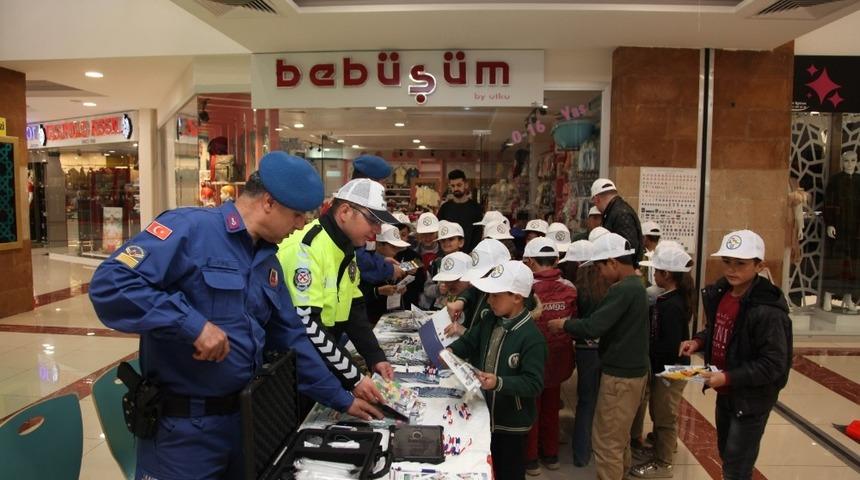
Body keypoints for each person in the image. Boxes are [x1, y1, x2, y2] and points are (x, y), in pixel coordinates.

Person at [88, 152, 382, 480]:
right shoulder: (190, 229)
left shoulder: (268, 260)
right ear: (269, 202)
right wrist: (191, 324)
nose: (301, 224)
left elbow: (293, 337)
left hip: (245, 421)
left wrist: (342, 397)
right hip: (184, 431)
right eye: (297, 215)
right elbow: (110, 284)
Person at [679, 230, 792, 480]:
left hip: (750, 399)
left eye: (740, 263)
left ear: (759, 265)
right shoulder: (722, 294)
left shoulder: (767, 310)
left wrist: (728, 377)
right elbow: (719, 329)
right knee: (727, 454)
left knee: (737, 466)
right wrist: (698, 341)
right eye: (727, 262)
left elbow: (773, 364)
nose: (732, 270)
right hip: (727, 392)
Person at [278, 178, 396, 403]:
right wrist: (355, 378)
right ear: (344, 212)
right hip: (298, 367)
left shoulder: (345, 248)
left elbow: (354, 308)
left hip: (323, 358)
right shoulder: (306, 248)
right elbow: (309, 327)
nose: (377, 230)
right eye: (372, 220)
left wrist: (374, 356)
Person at [548, 233, 649, 480]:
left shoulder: (622, 290)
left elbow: (593, 326)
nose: (600, 273)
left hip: (620, 376)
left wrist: (563, 324)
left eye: (601, 266)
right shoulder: (637, 285)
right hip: (634, 371)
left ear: (613, 262)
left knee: (607, 443)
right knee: (620, 437)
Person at [447, 260, 548, 480]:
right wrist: (449, 351)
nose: (489, 301)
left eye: (495, 295)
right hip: (485, 413)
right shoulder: (491, 319)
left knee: (509, 470)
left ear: (517, 297)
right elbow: (469, 341)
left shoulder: (531, 338)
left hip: (511, 422)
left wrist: (499, 382)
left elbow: (534, 383)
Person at [629, 245, 695, 478]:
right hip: (670, 368)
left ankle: (663, 462)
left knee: (664, 415)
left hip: (671, 370)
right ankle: (664, 446)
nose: (653, 275)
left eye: (656, 271)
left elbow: (668, 346)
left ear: (666, 275)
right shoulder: (670, 298)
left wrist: (656, 369)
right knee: (662, 413)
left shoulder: (671, 306)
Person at [521, 238, 577, 476]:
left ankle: (531, 460)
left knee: (530, 408)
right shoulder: (570, 287)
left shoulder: (525, 287)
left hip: (530, 359)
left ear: (530, 261)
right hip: (559, 358)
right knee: (552, 407)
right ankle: (551, 455)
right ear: (556, 260)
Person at [558, 239, 610, 467]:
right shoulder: (609, 286)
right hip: (607, 349)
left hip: (584, 349)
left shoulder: (575, 288)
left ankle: (581, 455)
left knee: (585, 402)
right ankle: (602, 450)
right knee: (605, 403)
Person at [359, 224, 412, 324]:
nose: (396, 251)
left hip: (391, 317)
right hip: (369, 320)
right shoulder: (366, 263)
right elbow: (356, 295)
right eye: (393, 247)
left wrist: (400, 289)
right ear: (379, 244)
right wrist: (377, 291)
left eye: (398, 247)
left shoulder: (392, 262)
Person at [590, 178, 644, 266]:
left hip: (623, 271)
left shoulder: (620, 214)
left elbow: (628, 248)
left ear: (597, 199)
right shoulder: (616, 211)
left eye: (594, 203)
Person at [438, 169, 485, 252]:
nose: (456, 188)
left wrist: (472, 253)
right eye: (453, 186)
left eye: (459, 185)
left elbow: (478, 233)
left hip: (470, 254)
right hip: (448, 254)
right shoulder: (445, 208)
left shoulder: (475, 208)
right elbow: (440, 232)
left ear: (465, 185)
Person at [421, 220, 465, 309]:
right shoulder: (435, 264)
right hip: (439, 308)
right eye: (443, 240)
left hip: (462, 308)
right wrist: (438, 289)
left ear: (461, 242)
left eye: (451, 239)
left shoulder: (468, 263)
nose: (446, 243)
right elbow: (426, 289)